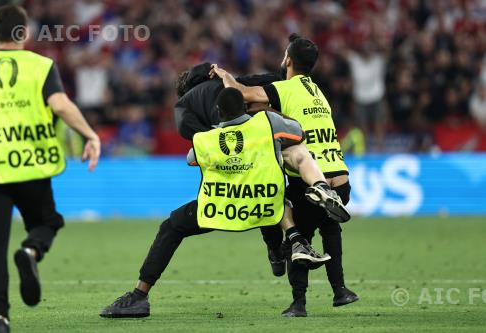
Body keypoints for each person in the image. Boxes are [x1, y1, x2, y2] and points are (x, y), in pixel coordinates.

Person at [99, 88, 340, 318]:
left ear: (218, 111)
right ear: (245, 108)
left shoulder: (207, 138)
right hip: (262, 204)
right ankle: (283, 246)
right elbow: (299, 133)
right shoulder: (267, 122)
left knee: (170, 227)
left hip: (219, 208)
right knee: (279, 195)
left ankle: (140, 295)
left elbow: (192, 160)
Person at [211, 33, 359, 317]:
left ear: (288, 60)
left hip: (309, 181)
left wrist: (225, 76)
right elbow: (268, 108)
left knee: (296, 233)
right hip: (340, 180)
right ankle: (340, 290)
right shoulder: (318, 94)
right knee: (330, 227)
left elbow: (241, 96)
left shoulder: (286, 88)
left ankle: (298, 303)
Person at [0, 5, 101, 333]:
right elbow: (60, 105)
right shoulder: (41, 66)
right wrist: (89, 134)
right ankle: (31, 250)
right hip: (32, 165)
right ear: (24, 33)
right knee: (46, 222)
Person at [174, 63, 350, 277]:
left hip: (234, 157)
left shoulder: (189, 107)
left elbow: (192, 144)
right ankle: (317, 192)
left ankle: (280, 248)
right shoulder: (233, 85)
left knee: (265, 198)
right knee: (286, 172)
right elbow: (266, 81)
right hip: (266, 137)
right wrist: (287, 73)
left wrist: (210, 143)